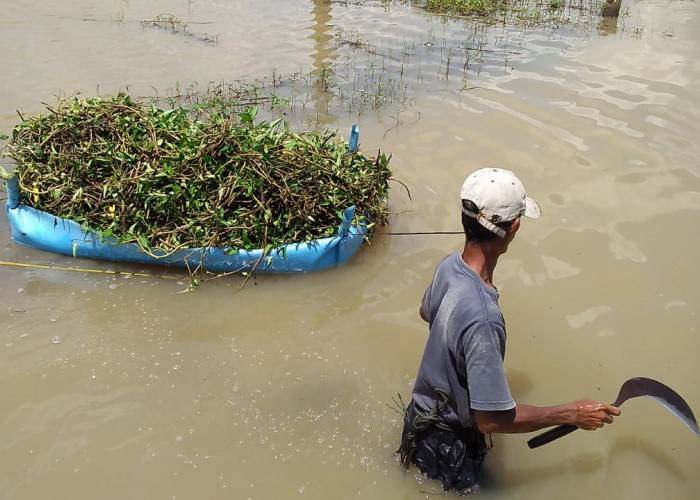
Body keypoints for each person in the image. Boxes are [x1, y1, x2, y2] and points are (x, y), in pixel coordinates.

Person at [398, 167, 621, 493]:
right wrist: (572, 413)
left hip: (417, 422)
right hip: (450, 447)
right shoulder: (484, 318)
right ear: (514, 225)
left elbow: (425, 312)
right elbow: (490, 420)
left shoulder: (449, 265)